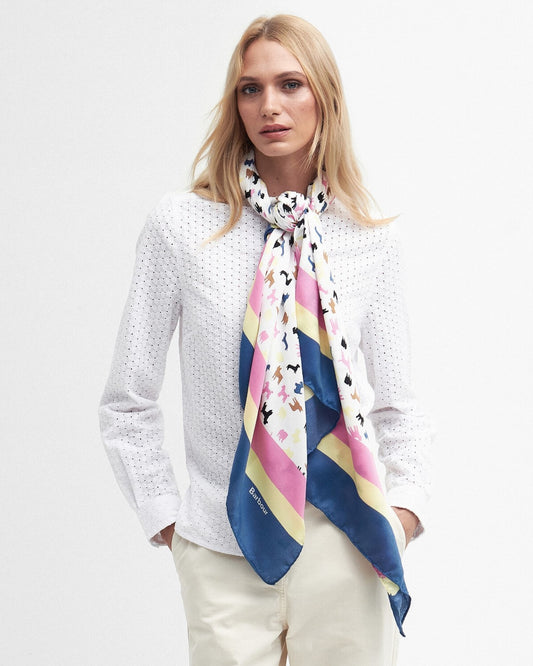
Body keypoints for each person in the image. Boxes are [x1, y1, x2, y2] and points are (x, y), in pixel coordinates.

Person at [99, 14, 432, 666]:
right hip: (223, 545)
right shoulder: (181, 226)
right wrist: (169, 521)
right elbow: (126, 398)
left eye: (289, 84)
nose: (269, 106)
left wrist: (402, 514)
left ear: (324, 97)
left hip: (347, 541)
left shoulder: (370, 238)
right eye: (250, 89)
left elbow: (400, 405)